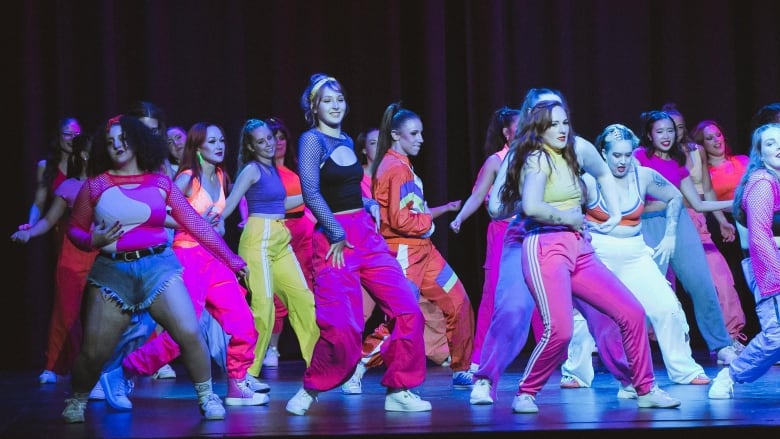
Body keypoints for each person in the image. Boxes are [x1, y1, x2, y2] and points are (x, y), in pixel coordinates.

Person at [482, 99, 680, 414]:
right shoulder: (535, 159)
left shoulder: (574, 153)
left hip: (579, 247)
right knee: (560, 329)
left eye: (565, 122)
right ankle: (526, 391)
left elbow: (603, 174)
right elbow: (525, 207)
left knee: (631, 312)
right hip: (544, 246)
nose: (562, 129)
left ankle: (645, 388)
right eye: (553, 124)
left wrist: (613, 212)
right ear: (539, 129)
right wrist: (566, 217)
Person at [61, 114, 247, 423]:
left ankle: (207, 395)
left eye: (123, 139)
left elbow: (196, 224)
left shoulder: (160, 182)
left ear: (137, 142)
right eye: (110, 142)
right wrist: (92, 239)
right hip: (112, 273)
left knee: (189, 332)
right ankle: (78, 398)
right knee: (94, 353)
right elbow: (74, 230)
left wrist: (231, 258)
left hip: (158, 267)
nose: (117, 146)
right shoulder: (95, 186)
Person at [286, 73, 431, 415]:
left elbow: (349, 188)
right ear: (314, 106)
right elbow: (311, 191)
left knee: (408, 308)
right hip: (334, 239)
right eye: (327, 101)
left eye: (339, 99)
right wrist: (335, 229)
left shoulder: (346, 139)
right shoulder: (312, 140)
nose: (335, 106)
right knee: (342, 325)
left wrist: (368, 205)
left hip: (365, 235)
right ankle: (312, 387)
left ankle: (400, 388)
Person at [469, 88, 614, 407]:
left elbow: (601, 183)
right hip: (526, 237)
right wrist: (534, 200)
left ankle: (633, 379)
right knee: (512, 310)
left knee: (604, 309)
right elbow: (496, 207)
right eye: (541, 110)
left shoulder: (577, 147)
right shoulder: (519, 154)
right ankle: (485, 379)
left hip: (570, 240)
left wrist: (598, 207)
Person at [115, 122, 268, 407]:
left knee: (244, 322)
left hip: (215, 259)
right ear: (197, 147)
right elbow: (156, 213)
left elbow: (218, 224)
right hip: (187, 257)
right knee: (183, 333)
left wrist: (219, 235)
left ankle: (237, 383)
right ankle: (129, 368)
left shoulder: (222, 176)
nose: (219, 146)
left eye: (222, 140)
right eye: (211, 141)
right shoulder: (187, 178)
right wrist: (193, 224)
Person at [559, 123, 710, 388]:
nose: (622, 161)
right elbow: (563, 209)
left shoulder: (644, 176)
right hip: (598, 255)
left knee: (666, 308)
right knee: (584, 315)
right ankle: (576, 373)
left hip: (635, 254)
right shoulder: (589, 181)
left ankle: (684, 369)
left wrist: (670, 235)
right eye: (616, 155)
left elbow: (675, 198)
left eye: (627, 155)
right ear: (603, 154)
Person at [370, 102, 475, 388]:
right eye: (414, 134)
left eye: (421, 133)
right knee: (402, 318)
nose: (421, 139)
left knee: (458, 300)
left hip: (425, 251)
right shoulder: (393, 168)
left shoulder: (404, 165)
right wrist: (427, 222)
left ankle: (461, 366)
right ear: (395, 135)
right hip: (405, 250)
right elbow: (399, 219)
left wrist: (425, 223)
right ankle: (358, 365)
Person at [633, 110, 743, 364]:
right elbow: (635, 201)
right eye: (659, 131)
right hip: (648, 226)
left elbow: (697, 203)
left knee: (702, 285)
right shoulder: (639, 158)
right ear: (649, 134)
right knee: (647, 291)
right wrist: (663, 204)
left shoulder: (678, 161)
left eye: (670, 131)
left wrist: (737, 201)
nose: (666, 136)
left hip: (680, 222)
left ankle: (721, 345)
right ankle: (632, 351)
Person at [220, 118, 319, 383]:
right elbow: (232, 201)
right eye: (261, 141)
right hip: (258, 238)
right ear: (251, 147)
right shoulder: (251, 170)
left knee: (303, 299)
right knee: (264, 308)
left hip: (279, 236)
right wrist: (214, 221)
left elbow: (282, 202)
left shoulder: (274, 170)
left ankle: (318, 365)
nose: (269, 144)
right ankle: (246, 372)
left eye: (271, 139)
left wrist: (312, 193)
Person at [13, 133, 96, 385]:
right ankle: (55, 365)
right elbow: (49, 220)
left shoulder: (107, 183)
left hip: (103, 255)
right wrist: (29, 233)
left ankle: (106, 368)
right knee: (66, 312)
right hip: (73, 256)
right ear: (84, 155)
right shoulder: (69, 186)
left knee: (106, 315)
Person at [661, 105, 746, 344]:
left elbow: (707, 190)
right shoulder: (652, 158)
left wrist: (721, 221)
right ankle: (663, 340)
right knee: (664, 282)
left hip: (697, 220)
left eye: (678, 127)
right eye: (667, 129)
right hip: (666, 220)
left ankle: (731, 335)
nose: (673, 133)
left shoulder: (696, 151)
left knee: (720, 278)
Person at [709, 122, 780, 399]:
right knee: (776, 335)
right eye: (771, 143)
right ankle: (732, 373)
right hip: (770, 266)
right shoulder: (762, 182)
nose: (779, 147)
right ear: (760, 154)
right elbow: (760, 235)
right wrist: (775, 276)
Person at [450, 106, 524, 368]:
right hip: (503, 232)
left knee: (541, 293)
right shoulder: (496, 161)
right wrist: (460, 218)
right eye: (519, 125)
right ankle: (478, 359)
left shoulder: (536, 157)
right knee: (493, 294)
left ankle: (551, 359)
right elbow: (478, 195)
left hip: (533, 230)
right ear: (506, 133)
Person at [261, 116, 317, 369]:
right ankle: (272, 347)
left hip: (303, 231)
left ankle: (314, 347)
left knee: (307, 288)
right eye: (274, 137)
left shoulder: (296, 168)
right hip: (278, 228)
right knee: (276, 294)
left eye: (282, 137)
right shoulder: (263, 170)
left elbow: (311, 198)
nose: (279, 142)